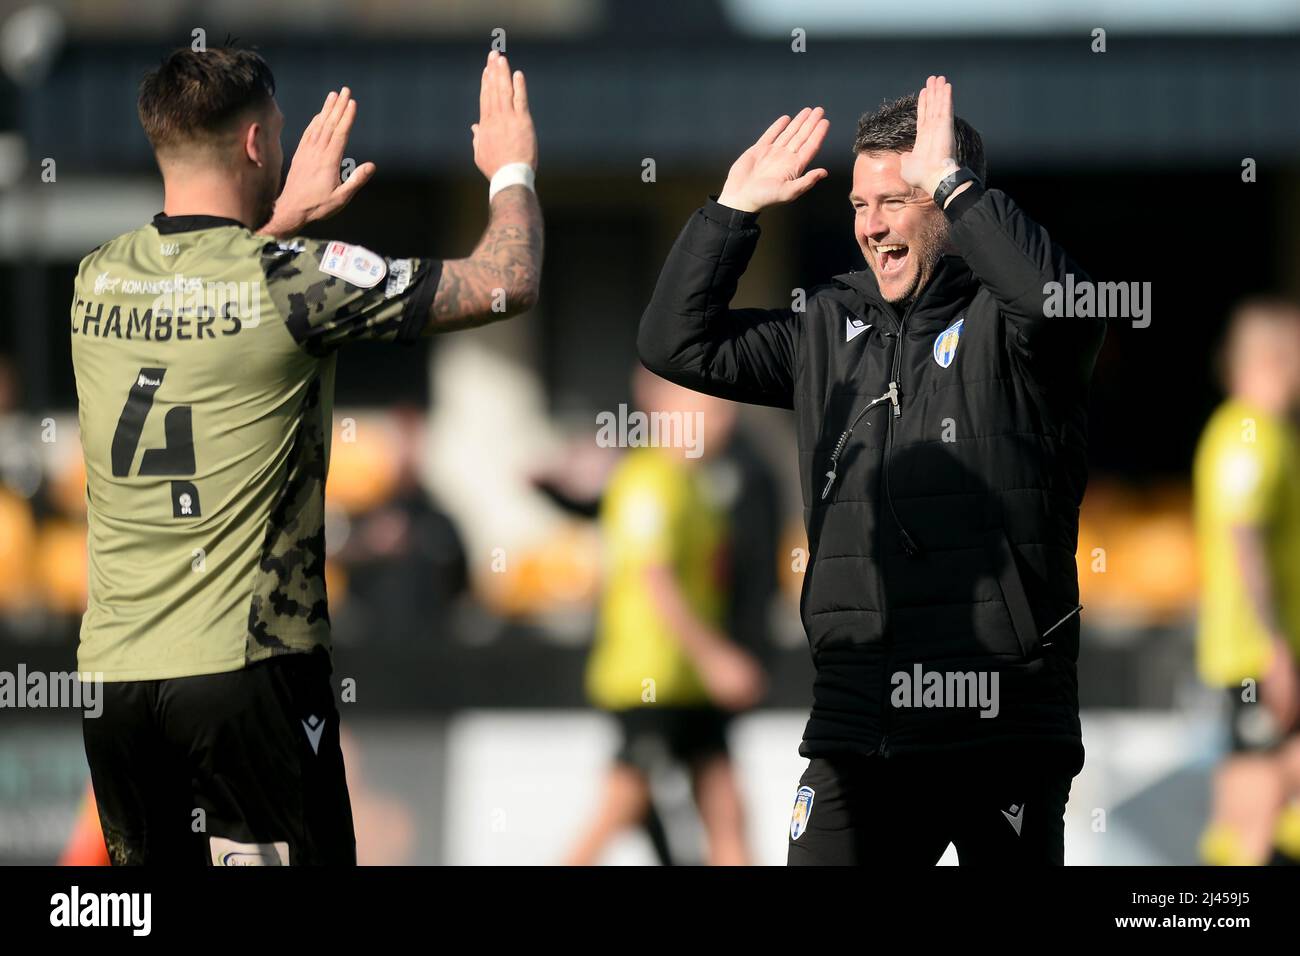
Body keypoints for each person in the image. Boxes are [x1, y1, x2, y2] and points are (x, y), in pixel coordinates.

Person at [70, 46, 542, 865]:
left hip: (115, 680)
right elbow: (508, 279)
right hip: (246, 673)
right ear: (257, 145)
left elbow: (198, 287)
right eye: (278, 135)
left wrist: (280, 220)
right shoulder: (296, 282)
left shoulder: (95, 281)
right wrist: (511, 171)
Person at [639, 76, 1106, 865]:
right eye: (858, 205)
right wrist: (732, 212)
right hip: (858, 722)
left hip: (1002, 719)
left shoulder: (1017, 330)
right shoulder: (828, 324)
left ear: (951, 202)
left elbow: (1063, 306)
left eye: (897, 199)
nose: (872, 226)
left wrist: (953, 185)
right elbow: (674, 344)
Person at [565, 368, 765, 865]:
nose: (722, 417)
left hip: (688, 684)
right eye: (707, 405)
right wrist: (716, 657)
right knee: (621, 806)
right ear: (659, 407)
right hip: (647, 682)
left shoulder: (698, 486)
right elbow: (656, 581)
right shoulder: (647, 481)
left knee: (725, 809)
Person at [1193, 299, 1300, 866]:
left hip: (1262, 650)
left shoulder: (1265, 432)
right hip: (1256, 654)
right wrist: (1274, 647)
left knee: (1252, 794)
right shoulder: (1249, 433)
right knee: (1256, 805)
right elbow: (1243, 533)